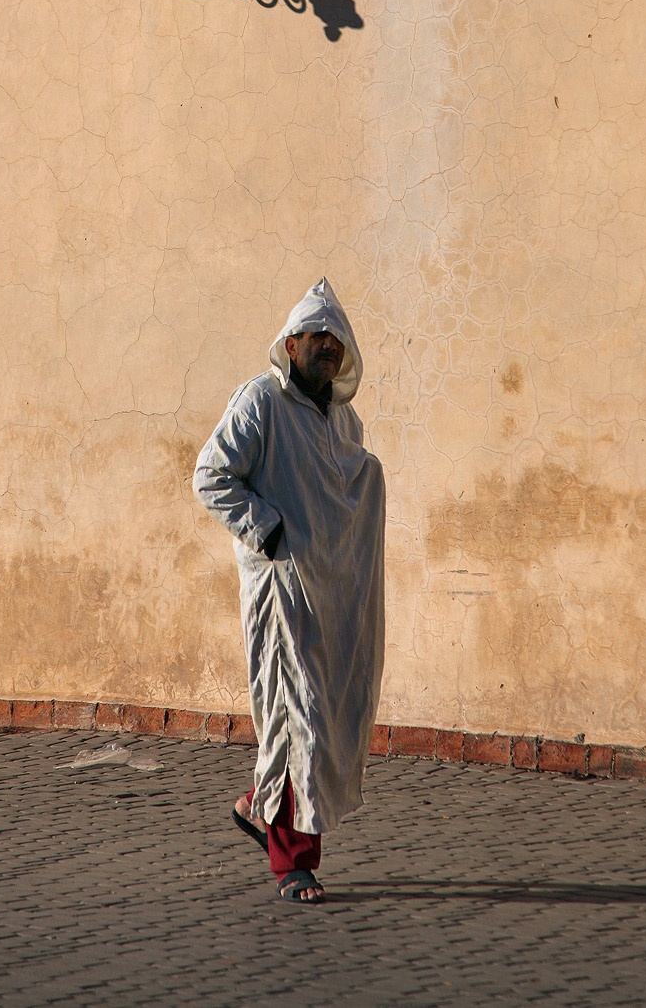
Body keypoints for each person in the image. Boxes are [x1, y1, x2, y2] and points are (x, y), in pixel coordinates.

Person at [192, 278, 386, 904]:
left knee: (321, 718)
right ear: (292, 341)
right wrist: (268, 530)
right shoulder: (261, 403)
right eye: (316, 337)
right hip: (281, 593)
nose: (327, 347)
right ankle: (292, 861)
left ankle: (260, 805)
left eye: (337, 339)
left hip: (329, 597)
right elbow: (211, 475)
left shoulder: (342, 418)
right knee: (294, 717)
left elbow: (342, 491)